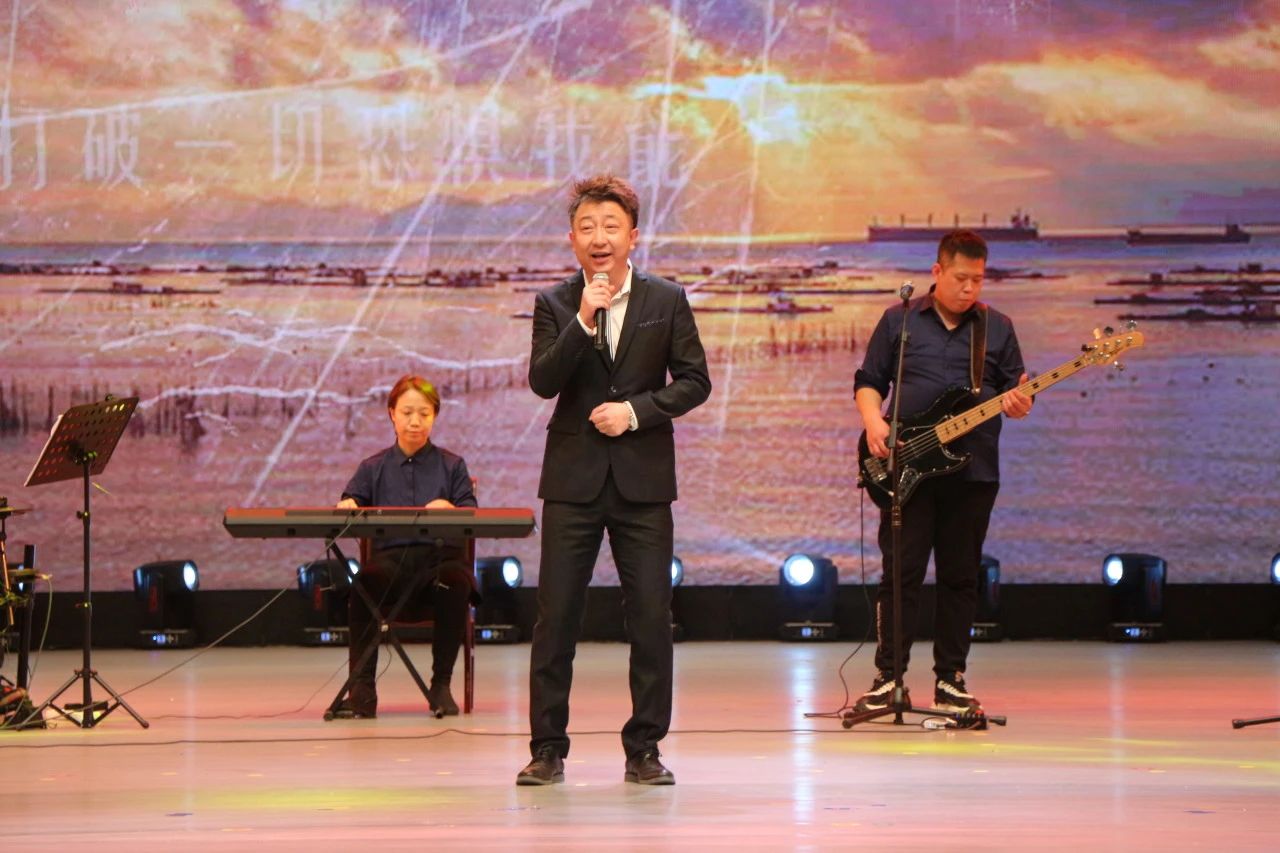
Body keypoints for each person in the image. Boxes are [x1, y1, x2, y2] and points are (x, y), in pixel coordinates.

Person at [517, 174, 711, 786]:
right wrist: (582, 319)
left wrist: (635, 412)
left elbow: (695, 381)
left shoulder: (667, 300)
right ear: (572, 239)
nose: (599, 238)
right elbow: (543, 382)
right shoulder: (554, 303)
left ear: (633, 236)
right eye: (587, 227)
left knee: (651, 616)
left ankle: (644, 749)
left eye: (610, 226)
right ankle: (547, 748)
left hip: (642, 482)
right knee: (556, 618)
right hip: (572, 481)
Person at [853, 230, 1033, 714]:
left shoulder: (998, 327)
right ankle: (889, 678)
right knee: (900, 574)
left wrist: (1021, 404)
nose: (969, 288)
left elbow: (1017, 392)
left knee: (960, 577)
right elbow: (869, 382)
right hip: (906, 467)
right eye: (960, 278)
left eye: (978, 279)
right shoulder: (900, 320)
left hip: (973, 472)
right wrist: (874, 422)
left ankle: (950, 679)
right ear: (937, 272)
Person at [335, 375, 477, 719]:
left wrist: (452, 510)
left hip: (439, 562)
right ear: (392, 414)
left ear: (435, 416)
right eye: (407, 412)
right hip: (391, 564)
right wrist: (349, 504)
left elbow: (470, 513)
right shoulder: (372, 467)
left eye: (424, 414)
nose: (415, 421)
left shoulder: (452, 465)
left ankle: (441, 684)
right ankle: (362, 689)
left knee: (455, 581)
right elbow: (350, 502)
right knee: (364, 582)